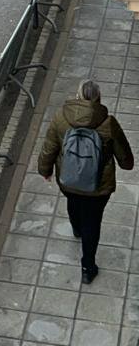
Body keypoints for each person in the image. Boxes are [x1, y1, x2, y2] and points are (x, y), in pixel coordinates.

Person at [38, 78, 134, 284]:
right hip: (98, 187)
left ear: (77, 97)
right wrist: (126, 163)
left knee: (73, 202)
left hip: (69, 181)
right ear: (98, 99)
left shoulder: (60, 118)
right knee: (93, 222)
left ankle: (76, 228)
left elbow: (49, 149)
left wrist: (44, 170)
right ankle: (88, 268)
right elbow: (125, 158)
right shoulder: (109, 123)